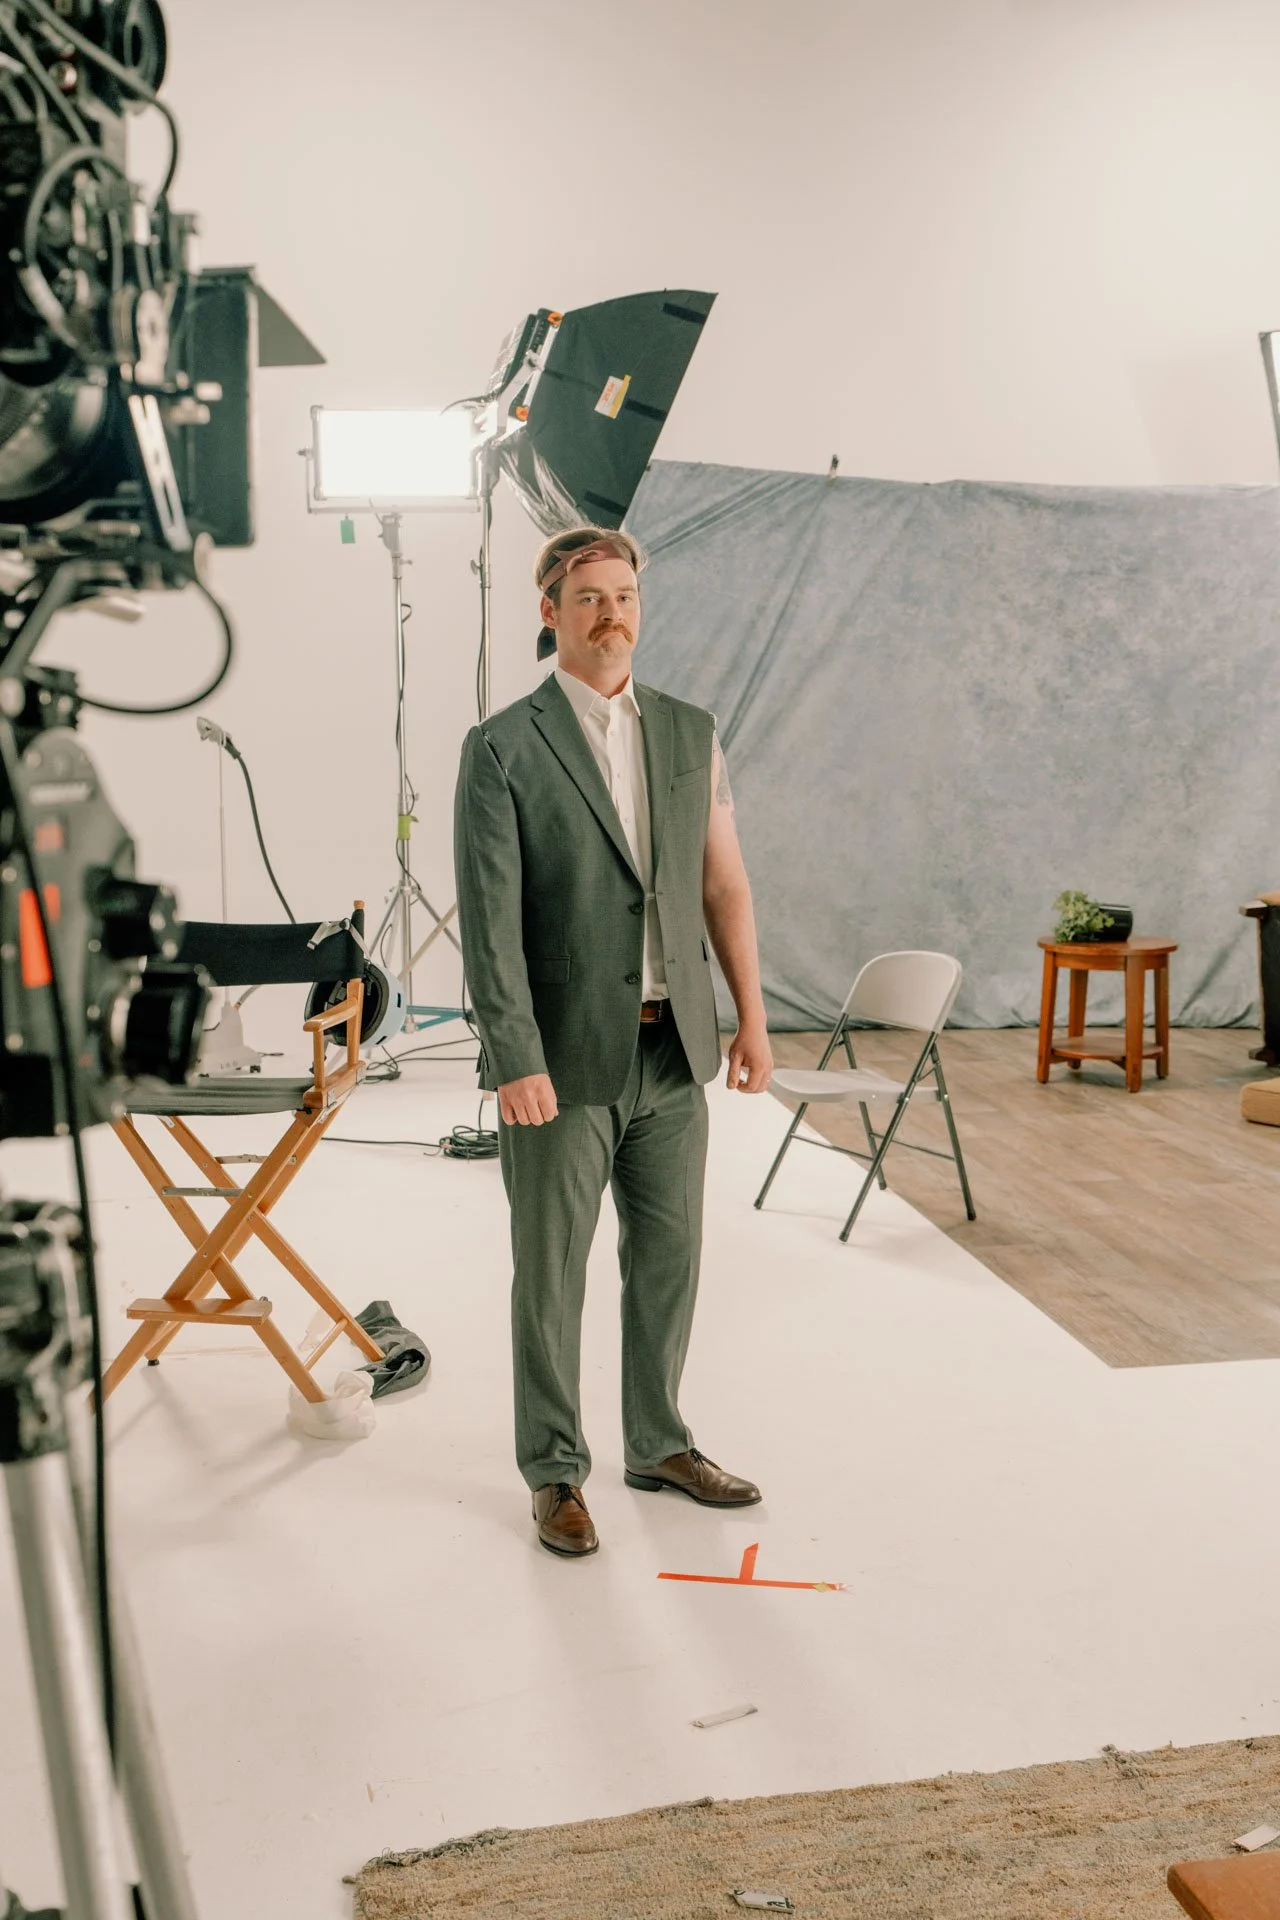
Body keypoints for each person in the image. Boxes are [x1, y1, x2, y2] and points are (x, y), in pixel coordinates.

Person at [453, 524, 773, 1558]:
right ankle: (553, 1471)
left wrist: (752, 1018)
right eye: (587, 596)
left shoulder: (689, 731)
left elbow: (721, 882)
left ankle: (658, 1443)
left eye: (622, 594)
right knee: (549, 1273)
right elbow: (489, 918)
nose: (609, 613)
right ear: (549, 613)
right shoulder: (503, 745)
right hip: (562, 1057)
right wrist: (513, 1057)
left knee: (669, 1260)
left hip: (671, 1047)